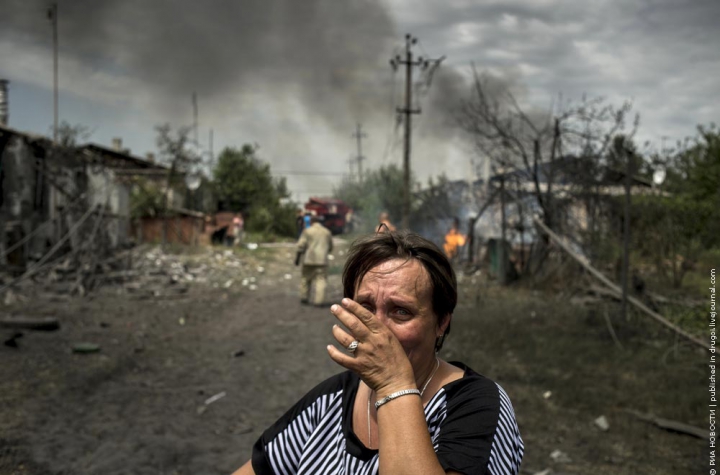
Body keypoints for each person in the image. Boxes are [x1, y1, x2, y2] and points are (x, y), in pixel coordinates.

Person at [233, 231, 523, 475]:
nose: (378, 330)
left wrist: (394, 385)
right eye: (366, 308)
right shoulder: (330, 401)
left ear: (441, 321)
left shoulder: (476, 404)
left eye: (401, 311)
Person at [296, 215, 333, 306]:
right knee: (320, 280)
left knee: (305, 279)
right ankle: (318, 301)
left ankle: (304, 297)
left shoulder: (308, 231)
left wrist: (297, 258)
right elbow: (330, 247)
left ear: (312, 222)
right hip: (322, 260)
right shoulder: (326, 232)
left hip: (309, 259)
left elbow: (301, 246)